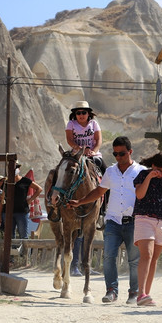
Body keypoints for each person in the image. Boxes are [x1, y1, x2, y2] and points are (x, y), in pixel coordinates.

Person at [68, 136, 146, 304]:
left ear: (130, 152)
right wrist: (80, 201)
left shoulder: (141, 171)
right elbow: (99, 191)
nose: (118, 157)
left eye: (122, 154)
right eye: (115, 154)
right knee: (109, 257)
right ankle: (111, 291)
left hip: (133, 221)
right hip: (112, 220)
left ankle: (134, 292)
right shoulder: (110, 171)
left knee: (134, 259)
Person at [132, 152, 162, 306]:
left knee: (153, 259)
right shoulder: (142, 175)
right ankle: (140, 294)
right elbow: (139, 195)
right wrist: (149, 177)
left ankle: (146, 293)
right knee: (146, 254)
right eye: (160, 170)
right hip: (144, 218)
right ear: (153, 166)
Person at [65, 100, 105, 276]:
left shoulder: (94, 124)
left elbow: (98, 141)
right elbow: (69, 139)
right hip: (76, 154)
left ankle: (103, 208)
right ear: (75, 114)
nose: (81, 115)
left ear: (89, 113)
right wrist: (79, 149)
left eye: (84, 112)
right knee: (63, 171)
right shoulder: (71, 124)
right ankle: (59, 199)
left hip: (92, 155)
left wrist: (92, 151)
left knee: (105, 171)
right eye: (78, 112)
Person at [0, 161, 42, 239]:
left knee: (23, 235)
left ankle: (23, 251)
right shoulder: (6, 183)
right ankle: (11, 251)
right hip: (7, 212)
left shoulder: (25, 181)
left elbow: (39, 189)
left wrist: (30, 200)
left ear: (19, 169)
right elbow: (2, 200)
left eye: (16, 167)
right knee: (9, 237)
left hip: (22, 212)